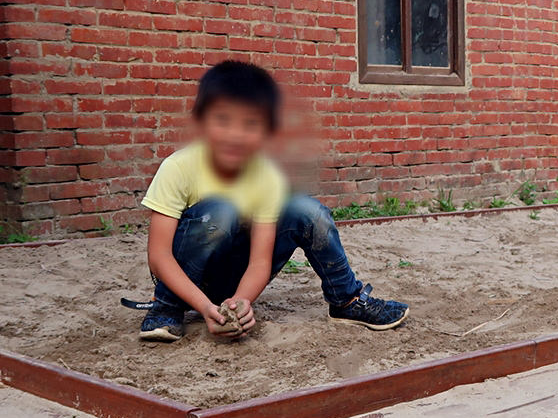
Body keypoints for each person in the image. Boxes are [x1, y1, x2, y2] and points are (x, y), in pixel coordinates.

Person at [125, 60, 408, 342]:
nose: (235, 135)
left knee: (307, 211)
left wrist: (242, 303)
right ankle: (167, 306)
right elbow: (158, 256)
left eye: (250, 124)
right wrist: (203, 307)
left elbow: (260, 261)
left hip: (235, 278)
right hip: (186, 281)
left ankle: (347, 300)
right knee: (222, 208)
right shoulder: (178, 167)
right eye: (223, 120)